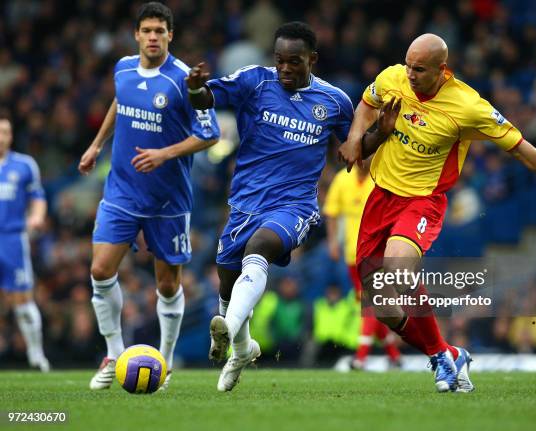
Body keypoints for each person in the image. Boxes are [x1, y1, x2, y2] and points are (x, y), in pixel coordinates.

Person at [338, 33, 536, 392]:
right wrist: (356, 138)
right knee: (383, 307)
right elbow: (367, 103)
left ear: (441, 70)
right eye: (408, 65)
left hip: (422, 201)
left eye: (419, 69)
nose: (410, 74)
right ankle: (447, 355)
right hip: (380, 197)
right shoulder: (392, 77)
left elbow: (521, 148)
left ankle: (439, 360)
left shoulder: (468, 106)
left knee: (397, 273)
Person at [187, 21, 354, 391]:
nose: (285, 69)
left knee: (259, 247)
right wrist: (196, 88)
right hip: (245, 203)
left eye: (294, 61)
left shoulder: (335, 101)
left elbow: (354, 146)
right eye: (280, 60)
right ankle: (242, 348)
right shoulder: (254, 81)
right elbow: (205, 99)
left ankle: (228, 329)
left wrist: (373, 136)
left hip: (295, 205)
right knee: (227, 282)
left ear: (312, 59)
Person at [78, 2, 220, 391]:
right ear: (136, 35)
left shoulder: (184, 79)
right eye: (147, 31)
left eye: (160, 30)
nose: (153, 37)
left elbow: (210, 134)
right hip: (122, 189)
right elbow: (119, 102)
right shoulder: (123, 68)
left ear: (170, 35)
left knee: (169, 286)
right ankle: (113, 354)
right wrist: (96, 145)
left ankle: (166, 361)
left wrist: (164, 153)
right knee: (100, 270)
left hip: (168, 200)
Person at [324, 160, 402, 370]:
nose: (365, 159)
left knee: (370, 301)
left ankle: (361, 357)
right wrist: (333, 242)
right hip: (352, 254)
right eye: (362, 154)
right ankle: (394, 355)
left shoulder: (383, 175)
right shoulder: (342, 178)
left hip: (378, 252)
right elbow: (331, 212)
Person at [0, 116, 49, 372]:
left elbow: (37, 196)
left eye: (5, 131)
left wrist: (37, 217)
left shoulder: (24, 165)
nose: (1, 136)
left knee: (22, 298)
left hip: (11, 238)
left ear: (11, 136)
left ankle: (36, 355)